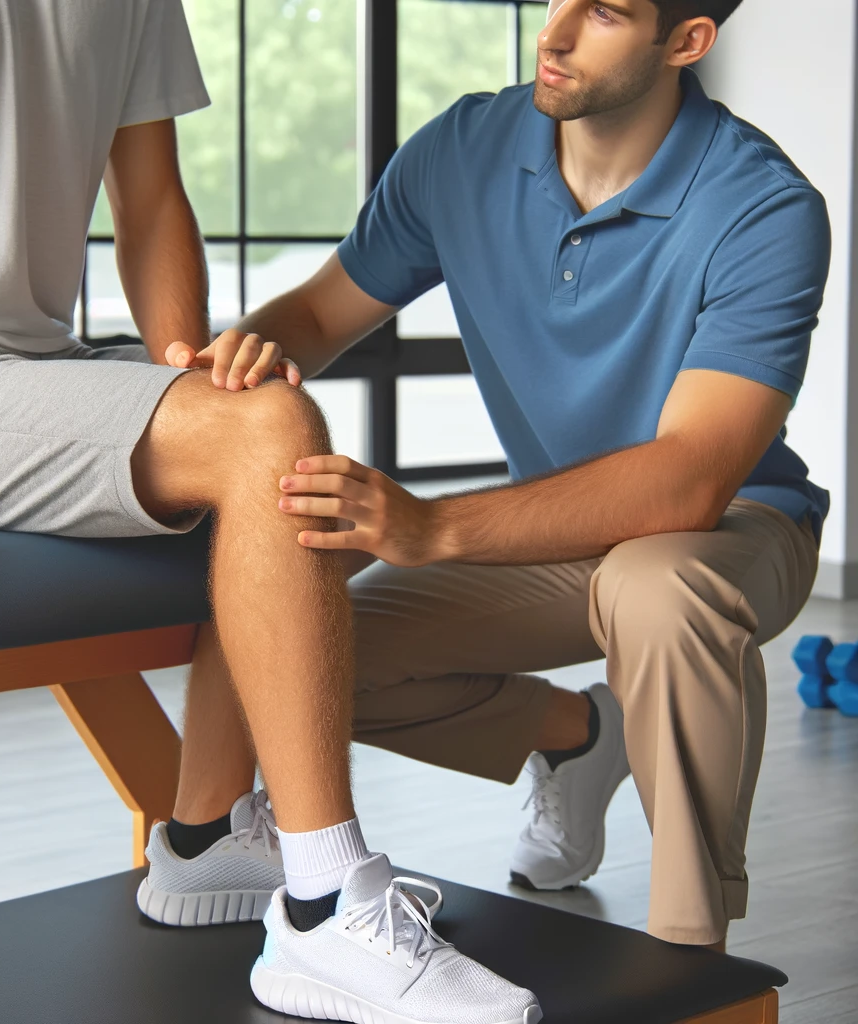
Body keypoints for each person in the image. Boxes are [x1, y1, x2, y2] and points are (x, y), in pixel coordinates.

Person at [0, 2, 543, 1022]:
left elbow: (154, 201)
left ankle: (207, 837)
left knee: (278, 440)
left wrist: (186, 372)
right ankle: (320, 906)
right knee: (270, 438)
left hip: (32, 366)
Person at [162, 0, 831, 962]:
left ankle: (693, 961)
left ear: (685, 43)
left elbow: (690, 478)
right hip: (555, 540)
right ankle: (576, 734)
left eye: (603, 12)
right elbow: (321, 308)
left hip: (734, 525)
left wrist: (430, 526)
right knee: (301, 659)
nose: (553, 34)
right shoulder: (466, 148)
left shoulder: (765, 208)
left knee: (657, 587)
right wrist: (241, 364)